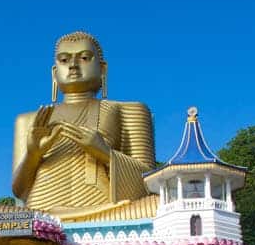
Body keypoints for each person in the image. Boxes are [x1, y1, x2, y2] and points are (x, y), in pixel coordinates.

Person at [11, 31, 157, 222]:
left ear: (102, 69)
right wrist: (33, 154)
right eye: (64, 60)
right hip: (40, 215)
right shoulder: (30, 119)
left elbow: (149, 183)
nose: (73, 66)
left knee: (158, 205)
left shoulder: (129, 110)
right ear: (54, 73)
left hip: (106, 211)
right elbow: (19, 191)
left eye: (84, 58)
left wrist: (104, 153)